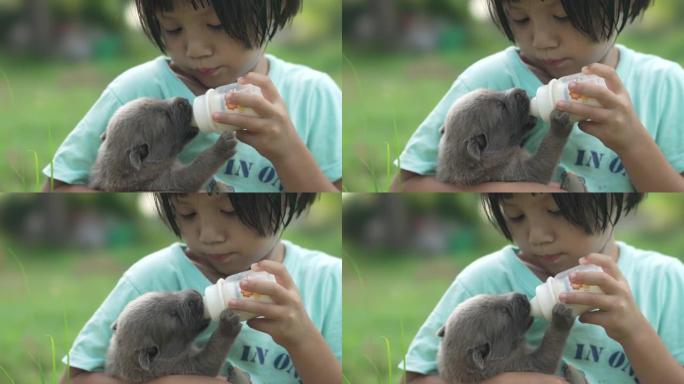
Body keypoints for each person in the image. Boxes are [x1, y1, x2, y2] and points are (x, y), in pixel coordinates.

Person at [43, 0, 341, 192]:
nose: (195, 50)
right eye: (172, 28)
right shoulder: (133, 91)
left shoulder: (314, 94)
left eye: (216, 25)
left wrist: (287, 151)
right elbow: (58, 186)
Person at [393, 0, 684, 192]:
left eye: (562, 16)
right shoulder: (485, 81)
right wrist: (522, 191)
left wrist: (632, 142)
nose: (541, 40)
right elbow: (407, 185)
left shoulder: (665, 85)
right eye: (520, 19)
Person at [60, 193, 342, 384]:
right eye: (187, 212)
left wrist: (303, 339)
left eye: (229, 211)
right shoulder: (151, 278)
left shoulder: (329, 281)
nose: (208, 235)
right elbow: (76, 377)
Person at [401, 193, 684, 383]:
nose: (537, 236)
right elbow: (416, 377)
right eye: (515, 216)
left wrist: (634, 332)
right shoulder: (482, 282)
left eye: (556, 211)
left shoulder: (666, 281)